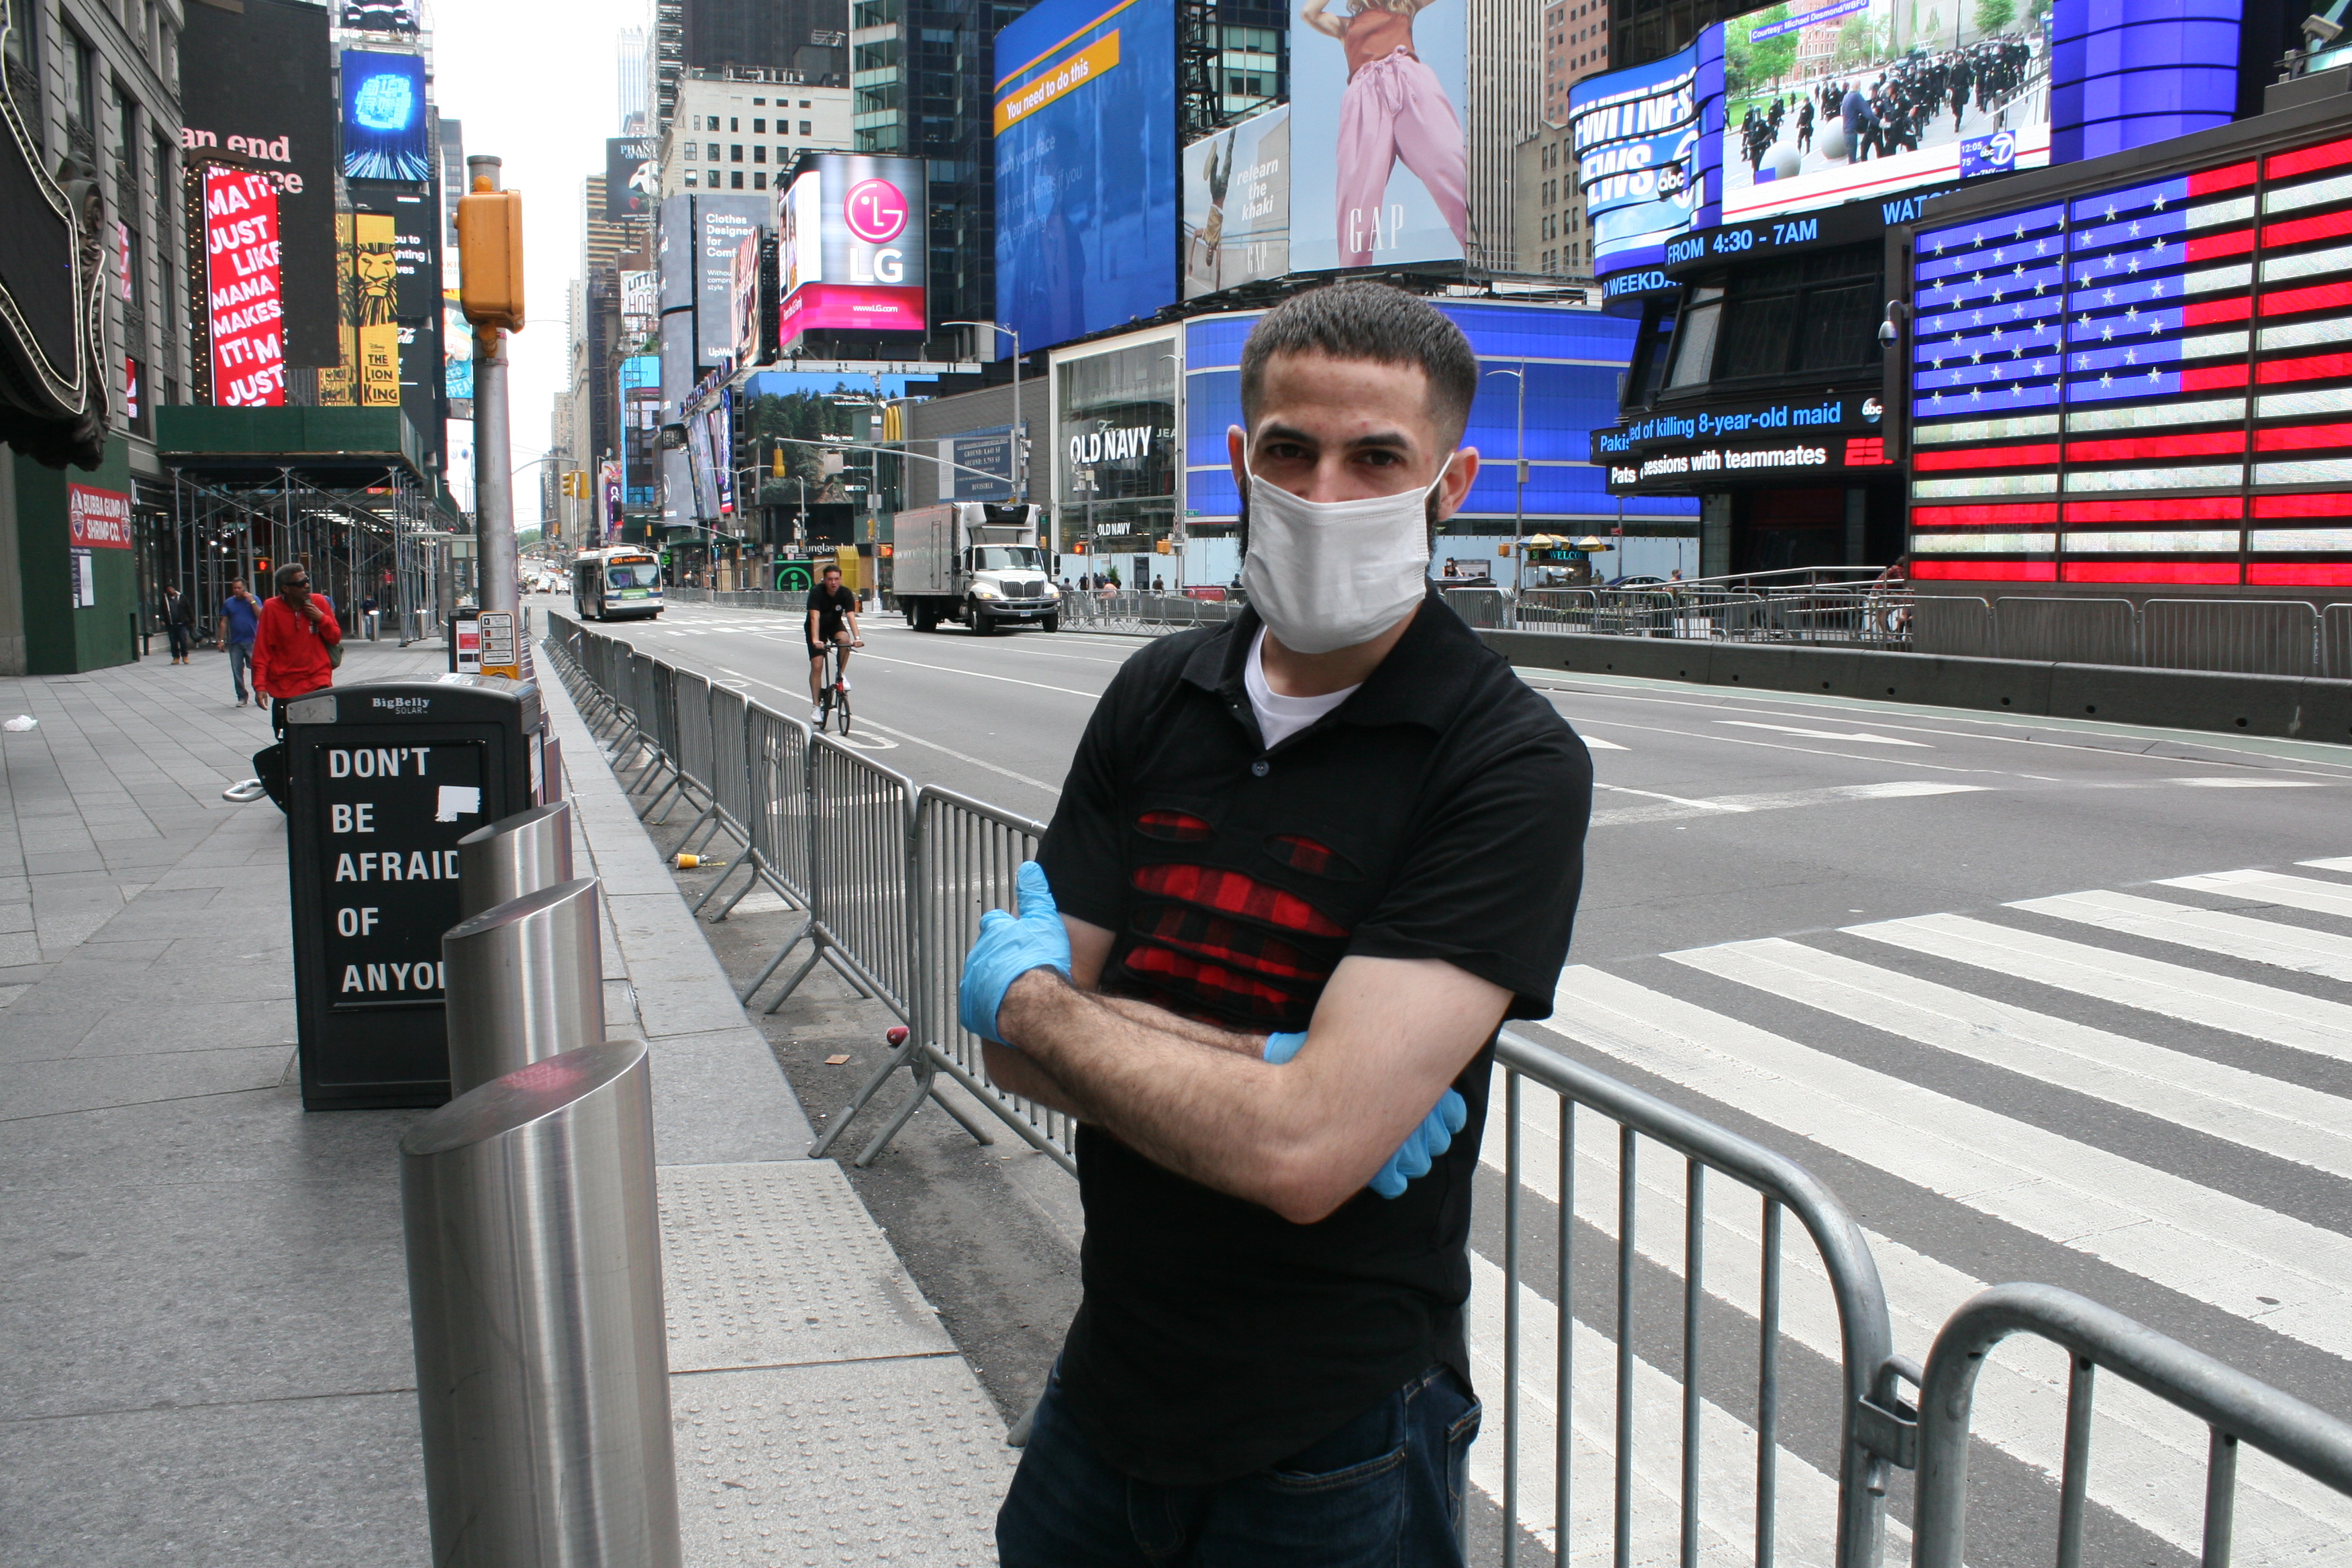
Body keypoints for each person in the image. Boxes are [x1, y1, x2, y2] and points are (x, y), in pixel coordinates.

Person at [965, 282, 1594, 1567]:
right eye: (1291, 452)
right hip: (1101, 1392)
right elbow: (1012, 1066)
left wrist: (1044, 999)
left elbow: (1300, 1156)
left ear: (1450, 480)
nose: (1326, 491)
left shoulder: (1504, 759)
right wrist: (1267, 1071)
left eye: (1377, 459)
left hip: (1333, 1443)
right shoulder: (1155, 693)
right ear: (1240, 458)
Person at [1302, 0, 1469, 268]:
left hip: (1409, 80)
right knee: (1358, 188)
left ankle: (1484, 250)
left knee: (1449, 162)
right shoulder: (1347, 26)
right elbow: (1309, 13)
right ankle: (1353, 275)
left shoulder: (1405, 7)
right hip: (1364, 92)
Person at [249, 562, 340, 730]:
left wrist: (321, 618)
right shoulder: (271, 607)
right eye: (300, 584)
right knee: (288, 738)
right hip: (285, 686)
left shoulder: (318, 602)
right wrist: (260, 686)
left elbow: (335, 637)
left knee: (320, 734)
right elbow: (263, 650)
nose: (306, 586)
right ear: (285, 589)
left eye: (307, 581)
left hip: (317, 681)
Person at [804, 562, 861, 723]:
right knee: (817, 666)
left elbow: (850, 616)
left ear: (840, 579)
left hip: (834, 625)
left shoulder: (845, 593)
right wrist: (816, 640)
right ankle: (816, 705)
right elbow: (814, 618)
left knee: (845, 640)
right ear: (824, 580)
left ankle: (840, 674)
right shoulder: (816, 592)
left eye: (836, 579)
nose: (833, 583)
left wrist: (857, 638)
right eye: (830, 579)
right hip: (817, 628)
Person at [217, 579, 262, 707]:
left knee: (256, 669)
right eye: (234, 588)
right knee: (237, 670)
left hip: (252, 641)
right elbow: (224, 621)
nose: (236, 590)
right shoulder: (229, 603)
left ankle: (258, 693)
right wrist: (220, 640)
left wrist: (252, 601)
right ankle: (242, 696)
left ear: (245, 588)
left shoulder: (254, 599)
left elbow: (261, 616)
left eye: (239, 588)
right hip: (236, 642)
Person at [163, 585, 195, 664]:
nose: (170, 590)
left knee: (183, 641)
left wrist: (192, 620)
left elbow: (188, 609)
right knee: (173, 642)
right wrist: (162, 620)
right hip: (171, 624)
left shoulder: (182, 598)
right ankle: (176, 657)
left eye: (171, 588)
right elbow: (162, 610)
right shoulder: (165, 599)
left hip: (182, 624)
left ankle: (185, 656)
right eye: (168, 589)